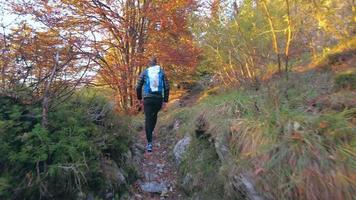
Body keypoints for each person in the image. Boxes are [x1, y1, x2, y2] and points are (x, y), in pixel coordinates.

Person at [136, 57, 169, 152]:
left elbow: (138, 87)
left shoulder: (145, 72)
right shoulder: (161, 72)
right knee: (154, 116)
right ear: (156, 63)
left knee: (148, 118)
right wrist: (165, 101)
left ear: (149, 64)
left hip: (148, 99)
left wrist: (139, 98)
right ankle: (151, 131)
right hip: (158, 99)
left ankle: (149, 142)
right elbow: (167, 87)